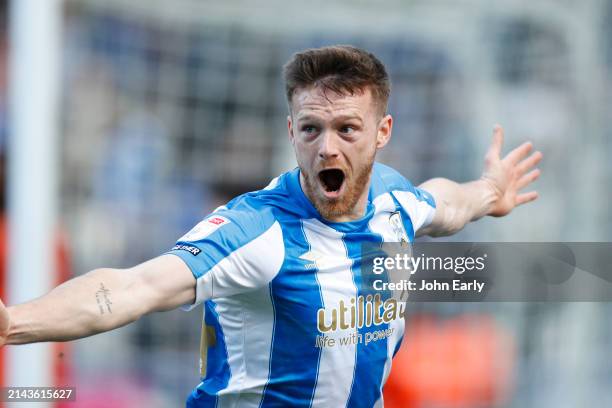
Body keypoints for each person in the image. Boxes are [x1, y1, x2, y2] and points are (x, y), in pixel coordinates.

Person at [0, 45, 542, 407]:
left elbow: (441, 204)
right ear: (291, 130)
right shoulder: (255, 230)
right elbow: (131, 287)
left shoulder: (394, 200)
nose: (327, 146)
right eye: (311, 128)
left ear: (383, 132)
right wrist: (14, 323)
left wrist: (489, 193)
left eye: (347, 128)